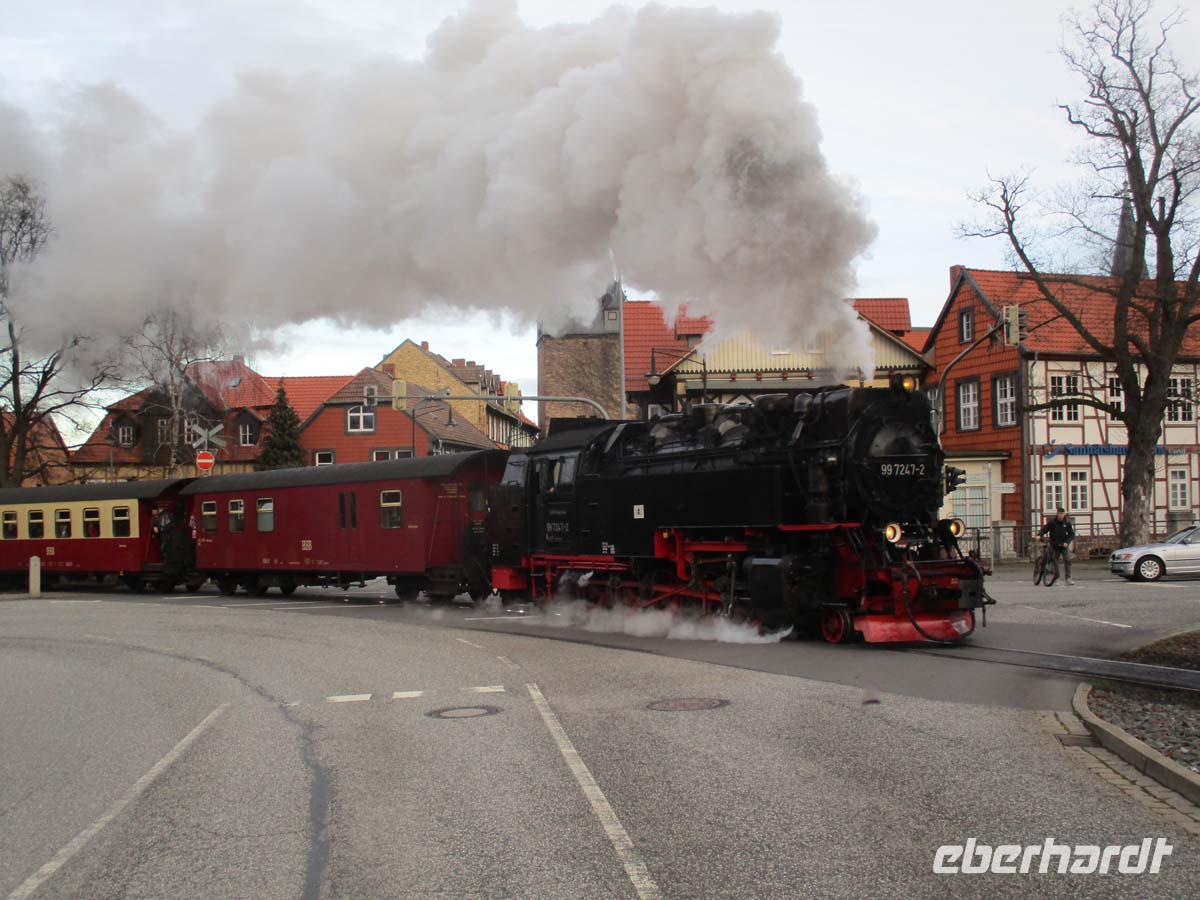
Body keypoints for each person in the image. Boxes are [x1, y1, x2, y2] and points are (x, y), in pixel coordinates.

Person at [1038, 506, 1076, 585]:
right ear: (1057, 514)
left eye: (1062, 514)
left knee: (1067, 560)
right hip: (1054, 544)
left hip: (1063, 545)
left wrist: (1067, 542)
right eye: (1059, 514)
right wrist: (1039, 535)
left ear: (1064, 514)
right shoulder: (1052, 522)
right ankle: (1056, 578)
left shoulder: (1067, 523)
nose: (1060, 515)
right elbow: (1044, 529)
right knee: (1055, 562)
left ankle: (1068, 578)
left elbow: (1071, 534)